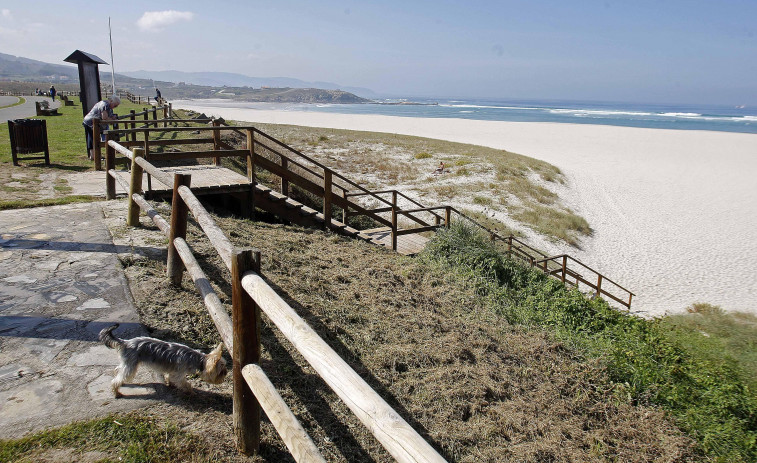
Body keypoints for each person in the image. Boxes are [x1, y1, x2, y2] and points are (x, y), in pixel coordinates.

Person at [83, 96, 120, 160]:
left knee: (94, 138)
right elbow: (104, 117)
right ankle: (94, 156)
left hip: (95, 123)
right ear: (111, 101)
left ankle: (95, 156)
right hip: (90, 122)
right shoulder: (105, 105)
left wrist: (111, 118)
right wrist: (111, 119)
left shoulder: (109, 107)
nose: (114, 107)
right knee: (93, 139)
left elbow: (109, 119)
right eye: (115, 105)